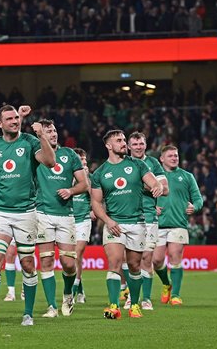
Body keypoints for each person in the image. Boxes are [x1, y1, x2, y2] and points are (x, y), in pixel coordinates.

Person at [0, 105, 56, 327]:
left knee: (27, 263)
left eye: (16, 118)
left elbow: (50, 161)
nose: (14, 121)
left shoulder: (30, 141)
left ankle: (28, 313)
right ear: (0, 123)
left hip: (26, 212)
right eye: (9, 118)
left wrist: (42, 136)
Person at [90, 129, 163, 320]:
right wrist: (108, 220)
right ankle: (114, 306)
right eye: (119, 140)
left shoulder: (138, 165)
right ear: (108, 146)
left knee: (134, 266)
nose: (124, 143)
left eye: (124, 140)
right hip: (115, 223)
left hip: (137, 223)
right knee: (114, 262)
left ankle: (135, 304)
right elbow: (96, 202)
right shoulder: (99, 173)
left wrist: (157, 187)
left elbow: (154, 183)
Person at [35, 119, 87, 318]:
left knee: (67, 263)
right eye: (48, 131)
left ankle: (67, 295)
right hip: (42, 213)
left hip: (66, 215)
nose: (54, 134)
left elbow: (84, 184)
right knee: (46, 261)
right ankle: (51, 307)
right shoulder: (37, 156)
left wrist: (71, 190)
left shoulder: (69, 155)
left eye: (55, 130)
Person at [152, 145, 202, 306]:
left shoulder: (187, 176)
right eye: (170, 156)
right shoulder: (154, 177)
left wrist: (195, 207)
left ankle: (176, 295)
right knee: (157, 261)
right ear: (162, 159)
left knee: (175, 256)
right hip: (157, 224)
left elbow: (198, 198)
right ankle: (167, 283)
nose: (174, 158)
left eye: (176, 155)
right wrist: (151, 208)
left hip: (178, 223)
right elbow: (143, 196)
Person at [127, 132, 168, 310]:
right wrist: (150, 185)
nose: (138, 147)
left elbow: (165, 189)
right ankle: (131, 296)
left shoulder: (153, 163)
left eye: (141, 144)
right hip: (126, 217)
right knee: (129, 260)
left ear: (145, 144)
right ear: (129, 146)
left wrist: (154, 186)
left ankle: (146, 299)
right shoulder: (122, 163)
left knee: (146, 258)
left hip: (149, 217)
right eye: (135, 144)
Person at [71, 148, 93, 303]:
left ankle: (72, 291)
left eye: (85, 160)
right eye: (81, 160)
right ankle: (80, 288)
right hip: (68, 219)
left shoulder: (90, 177)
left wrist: (86, 178)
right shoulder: (64, 176)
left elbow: (94, 197)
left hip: (83, 219)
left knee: (77, 254)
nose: (84, 163)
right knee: (71, 258)